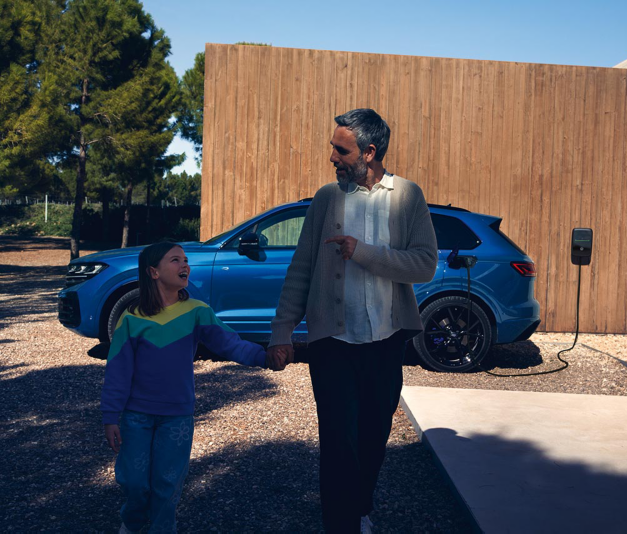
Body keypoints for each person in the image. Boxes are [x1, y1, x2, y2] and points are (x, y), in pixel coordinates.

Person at [266, 108, 438, 533]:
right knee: (338, 444)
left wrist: (361, 251)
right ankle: (340, 523)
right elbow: (302, 267)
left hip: (386, 342)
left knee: (374, 438)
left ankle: (359, 506)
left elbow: (424, 265)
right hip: (333, 343)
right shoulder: (328, 198)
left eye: (340, 150)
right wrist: (281, 332)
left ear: (369, 152)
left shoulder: (407, 196)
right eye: (333, 149)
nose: (332, 158)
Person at [101, 241, 275, 533]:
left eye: (185, 260)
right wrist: (110, 416)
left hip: (177, 417)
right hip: (135, 416)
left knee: (167, 484)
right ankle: (131, 523)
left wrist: (265, 356)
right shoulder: (131, 318)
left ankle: (161, 528)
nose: (184, 265)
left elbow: (230, 344)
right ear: (153, 272)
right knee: (133, 481)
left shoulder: (197, 312)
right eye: (175, 260)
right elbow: (118, 371)